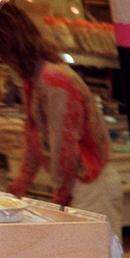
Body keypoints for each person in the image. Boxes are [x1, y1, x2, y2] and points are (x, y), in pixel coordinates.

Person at [0, 2, 123, 238]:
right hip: (80, 183)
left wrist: (61, 192)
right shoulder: (35, 79)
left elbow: (63, 144)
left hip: (89, 183)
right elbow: (35, 133)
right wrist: (24, 179)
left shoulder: (52, 80)